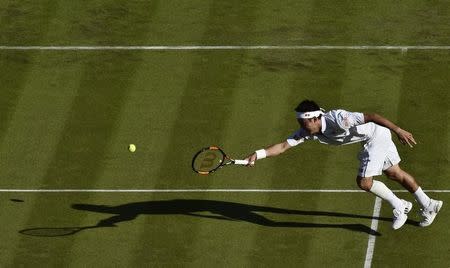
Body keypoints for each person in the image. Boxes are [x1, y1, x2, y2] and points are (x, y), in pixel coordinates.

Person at [244, 99, 443, 230]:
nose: (301, 128)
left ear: (314, 118)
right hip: (374, 136)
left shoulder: (339, 119)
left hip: (375, 135)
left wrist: (398, 130)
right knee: (394, 173)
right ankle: (428, 204)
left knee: (364, 182)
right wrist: (257, 155)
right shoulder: (307, 131)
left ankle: (400, 206)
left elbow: (372, 116)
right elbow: (282, 146)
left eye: (303, 124)